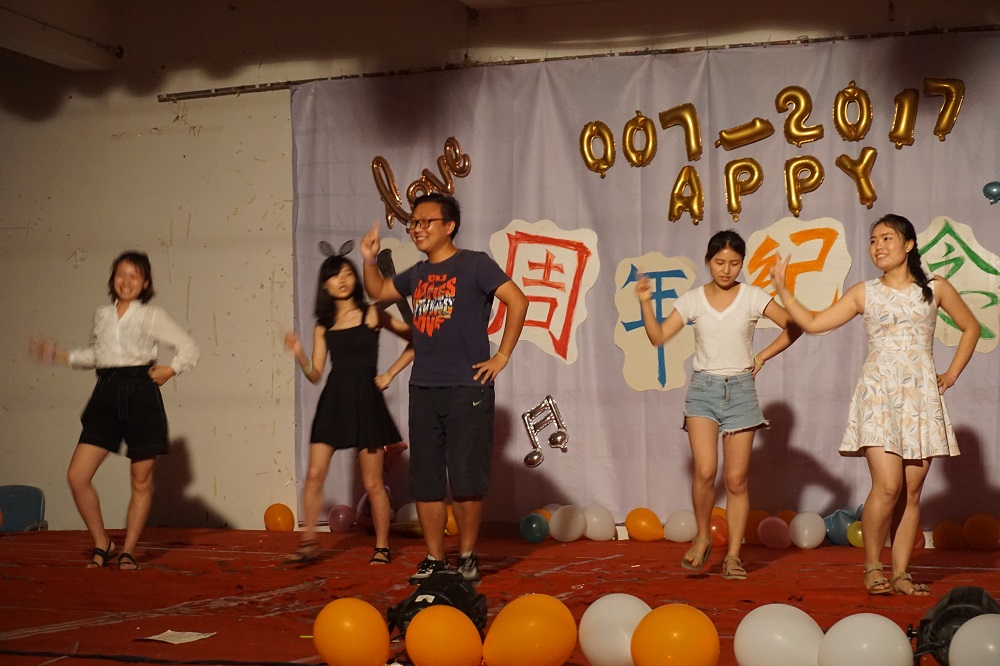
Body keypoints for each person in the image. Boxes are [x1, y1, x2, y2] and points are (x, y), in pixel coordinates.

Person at [770, 214, 978, 595]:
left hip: (919, 398)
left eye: (886, 238)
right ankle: (871, 568)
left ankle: (901, 574)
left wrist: (950, 375)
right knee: (887, 486)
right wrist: (783, 288)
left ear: (908, 244)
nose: (878, 246)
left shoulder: (935, 287)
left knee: (911, 493)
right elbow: (814, 324)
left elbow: (971, 327)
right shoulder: (865, 292)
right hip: (879, 395)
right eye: (873, 240)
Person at [360, 192, 528, 584]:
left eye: (426, 221)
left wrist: (501, 356)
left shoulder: (474, 264)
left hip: (467, 388)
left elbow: (517, 301)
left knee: (466, 481)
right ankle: (435, 558)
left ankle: (467, 555)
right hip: (424, 388)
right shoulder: (417, 274)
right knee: (426, 480)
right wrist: (369, 259)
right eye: (413, 223)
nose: (417, 229)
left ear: (449, 226)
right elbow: (379, 291)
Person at [636, 230, 800, 580]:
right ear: (708, 261)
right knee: (705, 472)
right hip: (703, 390)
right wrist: (646, 302)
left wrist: (762, 357)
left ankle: (734, 556)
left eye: (734, 263)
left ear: (742, 264)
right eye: (720, 262)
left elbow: (794, 326)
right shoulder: (693, 299)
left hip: (740, 390)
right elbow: (658, 336)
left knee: (736, 480)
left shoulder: (753, 296)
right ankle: (702, 538)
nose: (726, 269)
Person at [30, 251, 199, 570]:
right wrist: (59, 355)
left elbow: (189, 347)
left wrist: (171, 369)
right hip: (106, 393)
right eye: (121, 274)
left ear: (145, 282)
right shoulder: (103, 314)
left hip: (140, 393)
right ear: (113, 279)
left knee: (140, 479)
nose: (126, 281)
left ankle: (128, 551)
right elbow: (98, 355)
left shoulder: (151, 315)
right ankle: (102, 542)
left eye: (134, 275)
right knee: (77, 475)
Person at [284, 247, 413, 565]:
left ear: (355, 279)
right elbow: (315, 374)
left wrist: (389, 374)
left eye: (347, 273)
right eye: (334, 276)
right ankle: (309, 543)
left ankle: (382, 547)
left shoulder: (372, 314)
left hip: (367, 401)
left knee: (373, 483)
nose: (342, 280)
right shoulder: (323, 325)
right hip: (334, 401)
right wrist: (299, 354)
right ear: (325, 285)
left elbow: (417, 339)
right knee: (314, 474)